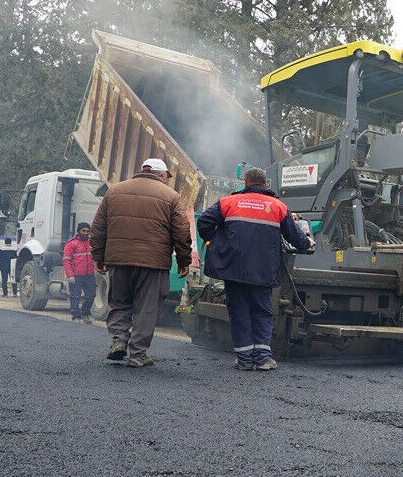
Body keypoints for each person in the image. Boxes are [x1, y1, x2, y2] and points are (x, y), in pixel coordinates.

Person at [197, 168, 312, 371]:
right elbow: (294, 237)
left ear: (246, 182)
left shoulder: (228, 202)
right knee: (261, 311)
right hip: (263, 270)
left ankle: (244, 359)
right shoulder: (278, 206)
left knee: (239, 311)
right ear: (266, 184)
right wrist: (307, 243)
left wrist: (216, 242)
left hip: (233, 269)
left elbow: (204, 222)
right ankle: (263, 359)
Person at [90, 158, 193, 368]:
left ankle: (119, 341)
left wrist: (98, 256)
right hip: (153, 264)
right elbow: (182, 232)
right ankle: (138, 354)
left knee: (119, 302)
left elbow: (98, 228)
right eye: (166, 176)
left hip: (119, 260)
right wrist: (184, 260)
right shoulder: (171, 196)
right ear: (160, 175)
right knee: (147, 307)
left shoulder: (114, 191)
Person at [63, 222, 96, 323]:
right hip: (76, 275)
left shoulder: (91, 242)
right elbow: (66, 260)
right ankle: (76, 316)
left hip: (89, 275)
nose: (86, 233)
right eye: (83, 231)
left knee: (91, 295)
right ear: (78, 231)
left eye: (87, 231)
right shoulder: (71, 243)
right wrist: (70, 275)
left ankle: (85, 314)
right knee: (75, 296)